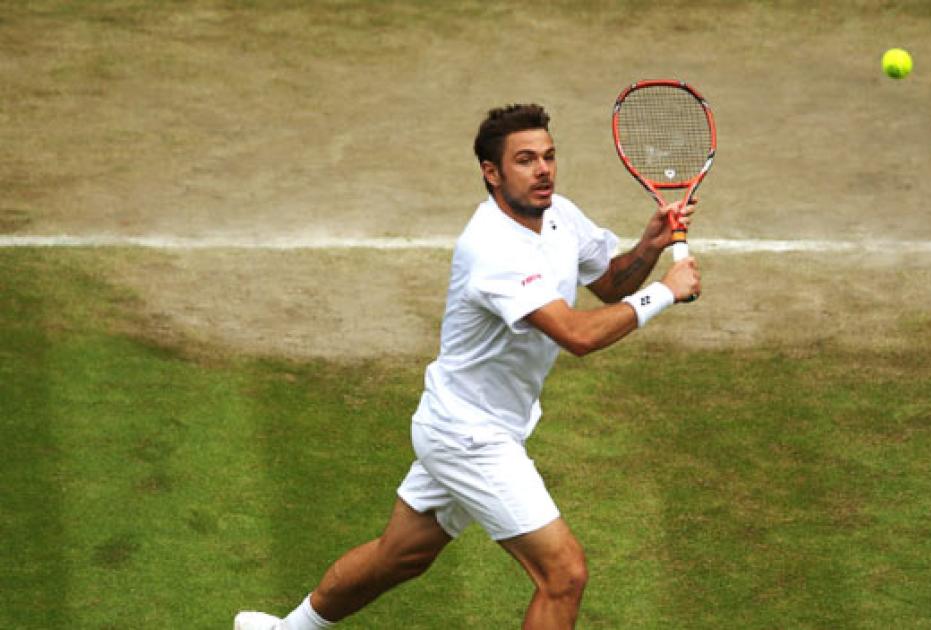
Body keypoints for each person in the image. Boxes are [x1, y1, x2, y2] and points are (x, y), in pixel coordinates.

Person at [235, 103, 701, 630]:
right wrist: (665, 291)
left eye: (548, 157)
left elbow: (611, 283)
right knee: (563, 574)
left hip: (470, 421)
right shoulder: (492, 248)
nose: (543, 170)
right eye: (525, 160)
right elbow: (577, 335)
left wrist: (649, 246)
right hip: (469, 436)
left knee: (399, 556)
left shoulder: (560, 216)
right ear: (491, 172)